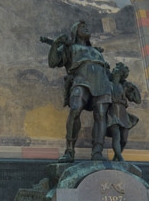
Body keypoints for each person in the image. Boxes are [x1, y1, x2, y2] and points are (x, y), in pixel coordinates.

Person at [45, 20, 111, 162]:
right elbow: (53, 62)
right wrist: (56, 43)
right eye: (83, 27)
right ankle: (69, 150)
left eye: (87, 26)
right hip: (81, 80)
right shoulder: (70, 48)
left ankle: (97, 152)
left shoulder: (96, 52)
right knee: (75, 110)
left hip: (102, 83)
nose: (87, 28)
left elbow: (107, 71)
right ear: (75, 31)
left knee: (101, 115)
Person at [106, 62, 141, 161]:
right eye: (113, 70)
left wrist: (134, 88)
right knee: (116, 135)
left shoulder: (124, 86)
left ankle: (116, 157)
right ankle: (121, 159)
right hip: (112, 113)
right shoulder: (107, 84)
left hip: (122, 113)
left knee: (124, 140)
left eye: (116, 70)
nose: (113, 71)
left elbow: (138, 100)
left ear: (121, 74)